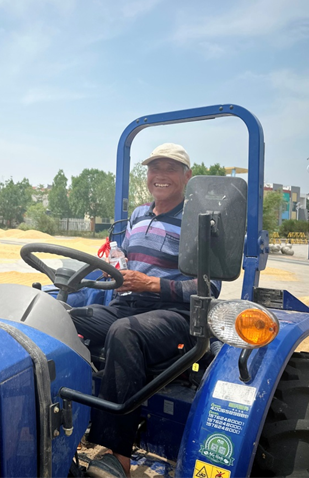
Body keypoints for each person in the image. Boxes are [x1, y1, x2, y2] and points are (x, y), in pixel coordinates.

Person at [75, 143, 221, 478]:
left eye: (170, 168)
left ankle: (118, 457)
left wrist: (151, 284)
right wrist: (113, 274)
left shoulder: (198, 222)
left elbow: (208, 288)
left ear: (187, 176)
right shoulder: (139, 215)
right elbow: (125, 262)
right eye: (155, 168)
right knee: (67, 318)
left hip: (175, 314)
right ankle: (71, 418)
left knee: (124, 333)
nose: (161, 175)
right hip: (129, 304)